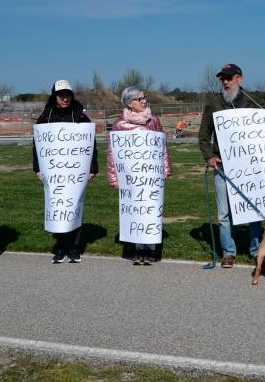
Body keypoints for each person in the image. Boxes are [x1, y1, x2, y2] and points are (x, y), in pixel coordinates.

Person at [198, 63, 265, 268]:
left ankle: (256, 249)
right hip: (222, 167)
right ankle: (228, 252)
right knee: (224, 213)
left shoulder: (255, 101)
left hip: (250, 167)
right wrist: (209, 157)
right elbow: (204, 136)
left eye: (230, 78)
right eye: (223, 78)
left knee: (254, 211)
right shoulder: (214, 103)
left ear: (239, 79)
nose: (225, 82)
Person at [33, 80, 98, 264]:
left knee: (75, 207)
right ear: (54, 96)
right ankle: (61, 247)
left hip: (76, 174)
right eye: (61, 95)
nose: (65, 98)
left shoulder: (81, 117)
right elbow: (36, 146)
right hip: (54, 174)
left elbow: (91, 146)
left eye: (68, 94)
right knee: (57, 207)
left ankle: (75, 248)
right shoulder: (45, 117)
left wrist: (93, 168)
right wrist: (37, 168)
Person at [106, 86, 171, 265]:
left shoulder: (154, 121)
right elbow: (112, 153)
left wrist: (166, 169)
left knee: (149, 209)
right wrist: (114, 177)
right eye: (139, 99)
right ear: (129, 103)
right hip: (131, 178)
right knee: (135, 210)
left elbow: (162, 147)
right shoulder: (120, 125)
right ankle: (137, 249)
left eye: (144, 98)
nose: (144, 101)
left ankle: (150, 249)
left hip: (151, 177)